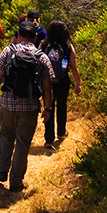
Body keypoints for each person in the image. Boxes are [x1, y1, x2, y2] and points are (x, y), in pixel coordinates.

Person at [0, 21, 54, 192]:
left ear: (19, 35)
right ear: (35, 37)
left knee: (6, 135)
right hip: (30, 106)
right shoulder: (41, 56)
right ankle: (16, 182)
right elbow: (47, 86)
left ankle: (2, 170)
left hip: (8, 103)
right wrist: (48, 108)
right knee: (23, 143)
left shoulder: (9, 51)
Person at [41, 19, 81, 147]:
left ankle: (48, 139)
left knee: (48, 107)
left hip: (47, 81)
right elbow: (74, 66)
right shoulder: (68, 46)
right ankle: (61, 132)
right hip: (63, 80)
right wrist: (78, 83)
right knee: (62, 106)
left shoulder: (44, 44)